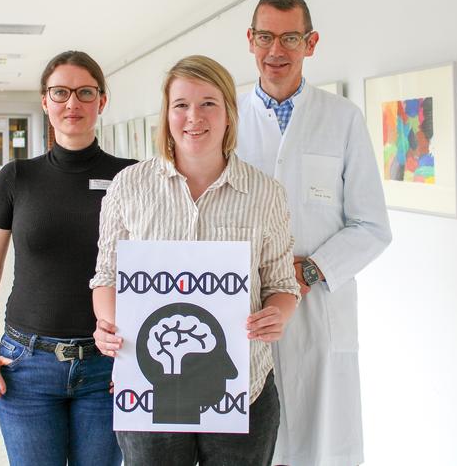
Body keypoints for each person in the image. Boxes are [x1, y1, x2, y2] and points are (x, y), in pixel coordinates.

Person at [90, 55, 301, 466]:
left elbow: (282, 285)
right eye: (181, 104)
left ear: (228, 115)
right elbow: (106, 276)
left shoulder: (265, 194)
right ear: (166, 114)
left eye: (208, 103)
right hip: (148, 389)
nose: (194, 117)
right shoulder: (128, 187)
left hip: (243, 386)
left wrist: (277, 314)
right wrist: (107, 324)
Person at [236, 0, 393, 466]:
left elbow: (372, 226)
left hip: (321, 306)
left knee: (323, 443)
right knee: (250, 441)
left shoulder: (343, 119)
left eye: (290, 37)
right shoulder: (226, 120)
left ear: (311, 43)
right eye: (265, 36)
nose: (275, 50)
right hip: (245, 305)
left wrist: (307, 273)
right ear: (250, 40)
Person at [0, 50, 135, 466]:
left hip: (107, 368)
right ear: (45, 101)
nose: (72, 104)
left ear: (102, 101)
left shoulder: (131, 177)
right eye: (60, 93)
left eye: (84, 92)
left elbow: (148, 273)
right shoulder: (16, 177)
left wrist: (141, 361)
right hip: (26, 366)